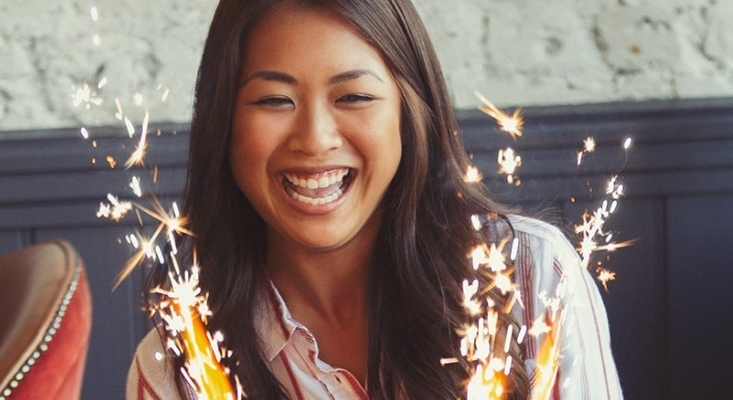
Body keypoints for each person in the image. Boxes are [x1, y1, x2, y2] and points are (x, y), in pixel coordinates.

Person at [126, 0, 623, 399]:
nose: (315, 139)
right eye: (274, 100)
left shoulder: (531, 276)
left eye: (354, 98)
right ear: (224, 126)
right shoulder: (180, 366)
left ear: (410, 114)